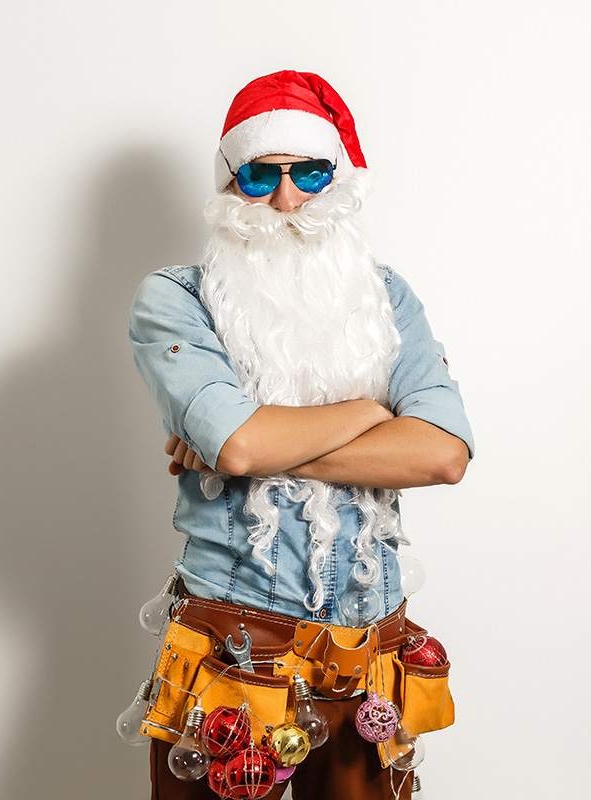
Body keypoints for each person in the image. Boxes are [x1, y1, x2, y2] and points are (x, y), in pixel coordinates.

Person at [127, 70, 473, 800]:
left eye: (309, 173)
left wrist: (257, 438)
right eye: (261, 176)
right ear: (229, 187)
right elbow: (244, 449)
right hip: (232, 644)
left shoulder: (386, 299)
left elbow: (442, 455)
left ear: (338, 180)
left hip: (368, 644)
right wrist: (372, 413)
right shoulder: (174, 298)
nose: (287, 201)